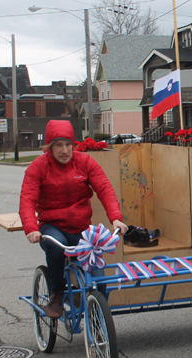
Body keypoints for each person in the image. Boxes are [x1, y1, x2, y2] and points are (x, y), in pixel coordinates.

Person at [19, 120, 128, 318]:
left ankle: (97, 317)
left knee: (99, 280)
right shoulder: (38, 167)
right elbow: (27, 199)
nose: (64, 150)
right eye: (58, 145)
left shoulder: (85, 162)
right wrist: (31, 228)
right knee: (56, 246)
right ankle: (57, 294)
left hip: (80, 227)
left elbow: (105, 189)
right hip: (52, 226)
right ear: (49, 147)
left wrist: (116, 218)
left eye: (68, 144)